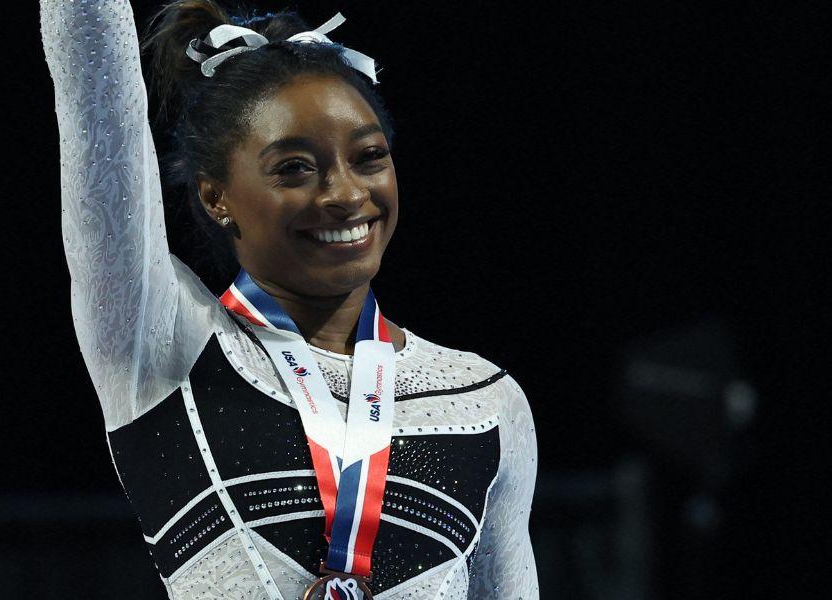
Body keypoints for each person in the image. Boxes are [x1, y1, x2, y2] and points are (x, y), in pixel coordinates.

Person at [40, 0, 538, 597]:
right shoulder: (165, 343)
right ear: (216, 197)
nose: (345, 195)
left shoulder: (484, 401)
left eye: (369, 158)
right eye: (295, 168)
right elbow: (93, 90)